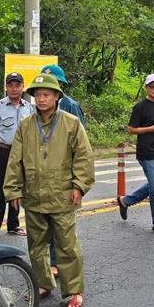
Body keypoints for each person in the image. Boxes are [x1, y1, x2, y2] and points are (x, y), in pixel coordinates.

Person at [3, 74, 94, 307]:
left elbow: (84, 157)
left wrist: (79, 186)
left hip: (62, 194)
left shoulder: (71, 123)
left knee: (67, 245)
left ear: (56, 96)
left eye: (46, 94)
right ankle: (43, 284)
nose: (41, 99)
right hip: (34, 194)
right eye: (38, 95)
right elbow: (15, 160)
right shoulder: (25, 125)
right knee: (36, 245)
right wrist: (13, 190)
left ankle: (74, 290)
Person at [39, 64, 85, 277]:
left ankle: (59, 264)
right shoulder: (39, 107)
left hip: (63, 174)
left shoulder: (70, 106)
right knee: (44, 224)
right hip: (43, 175)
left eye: (55, 83)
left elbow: (81, 145)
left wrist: (77, 182)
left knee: (62, 226)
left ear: (60, 86)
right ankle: (49, 264)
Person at [116, 73, 154, 235]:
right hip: (146, 151)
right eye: (151, 86)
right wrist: (151, 129)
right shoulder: (140, 106)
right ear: (146, 88)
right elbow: (131, 129)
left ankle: (125, 201)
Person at [0, 72, 33, 240]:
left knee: (18, 186)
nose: (14, 88)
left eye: (17, 85)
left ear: (23, 87)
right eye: (10, 85)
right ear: (6, 87)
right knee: (0, 189)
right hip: (3, 151)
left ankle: (14, 224)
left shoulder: (28, 107)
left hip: (22, 152)